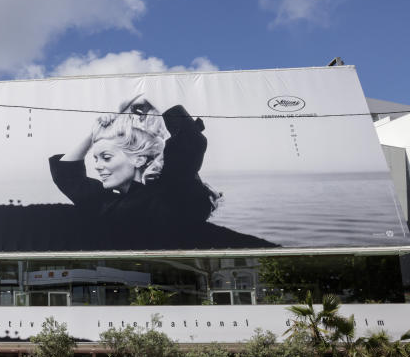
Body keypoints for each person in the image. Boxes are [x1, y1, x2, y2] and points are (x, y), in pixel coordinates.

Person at [48, 97, 275, 250]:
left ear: (138, 158)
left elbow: (190, 141)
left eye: (106, 158)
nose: (97, 166)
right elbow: (67, 176)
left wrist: (151, 106)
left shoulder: (169, 193)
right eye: (95, 158)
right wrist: (95, 131)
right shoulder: (108, 202)